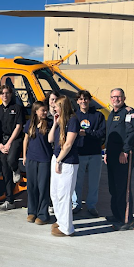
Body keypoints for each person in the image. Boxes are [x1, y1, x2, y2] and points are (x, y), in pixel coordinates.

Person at [105, 88, 134, 231]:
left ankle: (126, 220)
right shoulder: (112, 114)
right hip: (112, 156)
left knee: (123, 188)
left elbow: (132, 132)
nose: (116, 99)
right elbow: (110, 136)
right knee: (113, 188)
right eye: (113, 97)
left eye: (118, 97)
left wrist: (125, 151)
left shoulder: (130, 113)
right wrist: (107, 152)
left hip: (123, 156)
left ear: (124, 98)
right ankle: (117, 214)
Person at [48, 96, 79, 237]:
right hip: (57, 158)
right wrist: (55, 124)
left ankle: (67, 228)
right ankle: (60, 221)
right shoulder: (60, 121)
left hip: (67, 162)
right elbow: (50, 139)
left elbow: (68, 144)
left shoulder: (73, 120)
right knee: (54, 193)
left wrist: (58, 161)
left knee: (64, 195)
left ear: (63, 106)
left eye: (57, 106)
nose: (54, 108)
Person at [72, 90, 106, 217]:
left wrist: (87, 133)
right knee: (77, 182)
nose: (83, 101)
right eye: (80, 99)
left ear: (89, 100)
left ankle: (91, 206)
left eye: (85, 99)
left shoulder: (98, 116)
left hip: (95, 154)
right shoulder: (74, 116)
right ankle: (76, 204)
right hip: (79, 153)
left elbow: (101, 134)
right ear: (77, 101)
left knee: (93, 182)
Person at [0, 84, 25, 211]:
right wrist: (0, 144)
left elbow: (18, 126)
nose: (5, 95)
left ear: (10, 94)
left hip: (15, 139)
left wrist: (9, 143)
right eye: (2, 93)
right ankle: (9, 200)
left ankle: (16, 169)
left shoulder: (17, 108)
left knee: (11, 160)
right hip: (2, 141)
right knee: (5, 170)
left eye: (7, 93)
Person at [22, 101, 52, 225]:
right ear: (36, 111)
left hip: (45, 159)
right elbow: (26, 140)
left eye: (46, 110)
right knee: (31, 187)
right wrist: (24, 156)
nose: (45, 112)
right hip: (31, 158)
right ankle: (32, 212)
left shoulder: (50, 124)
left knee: (43, 187)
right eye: (42, 110)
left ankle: (43, 214)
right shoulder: (30, 123)